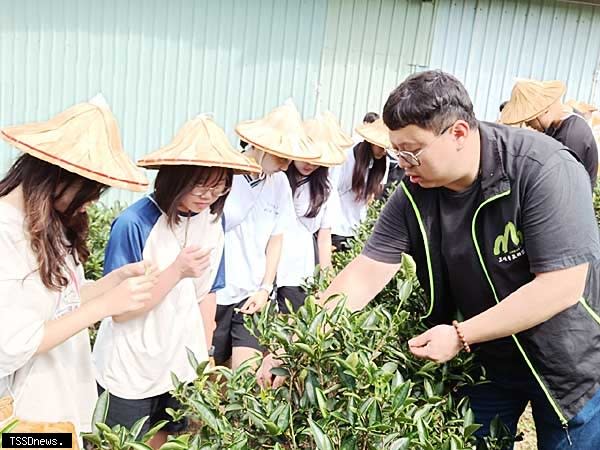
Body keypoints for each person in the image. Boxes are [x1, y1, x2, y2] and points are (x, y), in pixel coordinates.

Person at [259, 70, 600, 449]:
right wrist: (291, 346)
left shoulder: (541, 168)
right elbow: (364, 273)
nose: (403, 163)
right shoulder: (414, 195)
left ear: (456, 133)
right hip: (488, 363)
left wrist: (460, 334)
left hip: (565, 361)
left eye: (412, 151)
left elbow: (562, 285)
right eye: (397, 152)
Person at [92, 115, 259, 448]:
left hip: (179, 365)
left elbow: (208, 290)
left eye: (219, 186)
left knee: (167, 437)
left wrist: (204, 353)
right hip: (129, 366)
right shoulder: (134, 224)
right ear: (174, 178)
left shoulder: (213, 220)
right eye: (199, 185)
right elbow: (120, 311)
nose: (208, 195)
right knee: (124, 442)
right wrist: (176, 270)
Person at [0, 97, 156, 435]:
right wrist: (104, 306)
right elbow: (12, 343)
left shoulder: (48, 225)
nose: (94, 199)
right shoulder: (5, 233)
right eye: (92, 188)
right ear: (58, 177)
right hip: (23, 424)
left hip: (59, 405)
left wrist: (112, 283)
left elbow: (63, 303)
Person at [213, 101, 319, 369]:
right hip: (216, 294)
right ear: (261, 146)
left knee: (244, 379)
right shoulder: (226, 176)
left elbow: (276, 239)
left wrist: (265, 287)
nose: (286, 166)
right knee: (209, 381)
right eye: (281, 157)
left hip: (252, 295)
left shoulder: (279, 183)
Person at [276, 115, 346, 312]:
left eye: (317, 159)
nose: (310, 164)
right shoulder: (276, 179)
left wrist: (326, 282)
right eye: (306, 156)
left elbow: (324, 239)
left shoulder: (326, 189)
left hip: (299, 269)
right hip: (267, 264)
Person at [501, 79, 598, 187]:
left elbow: (563, 184)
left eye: (529, 120)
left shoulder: (571, 135)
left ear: (543, 111)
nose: (528, 125)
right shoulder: (556, 128)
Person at [331, 118, 390, 251]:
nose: (383, 151)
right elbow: (332, 189)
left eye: (386, 147)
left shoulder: (382, 163)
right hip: (337, 226)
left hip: (357, 227)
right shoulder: (347, 156)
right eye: (381, 146)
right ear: (371, 142)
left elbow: (373, 195)